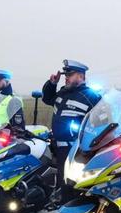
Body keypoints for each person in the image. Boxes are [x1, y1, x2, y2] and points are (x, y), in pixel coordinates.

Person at [42, 60, 101, 202]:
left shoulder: (91, 96)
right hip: (58, 148)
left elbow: (101, 122)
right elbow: (47, 98)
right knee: (62, 185)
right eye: (65, 74)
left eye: (70, 74)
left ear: (81, 76)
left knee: (71, 189)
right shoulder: (63, 92)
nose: (66, 77)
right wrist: (51, 84)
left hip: (75, 150)